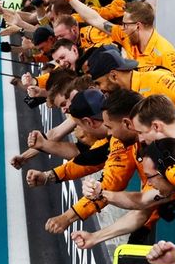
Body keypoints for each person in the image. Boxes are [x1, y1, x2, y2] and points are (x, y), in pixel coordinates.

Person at [41, 89, 159, 238]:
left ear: (127, 123)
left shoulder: (164, 154)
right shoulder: (125, 141)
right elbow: (144, 203)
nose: (109, 134)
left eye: (109, 127)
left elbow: (143, 204)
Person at [51, 0, 175, 80]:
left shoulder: (167, 53)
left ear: (138, 26)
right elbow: (95, 19)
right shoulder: (125, 35)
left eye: (125, 24)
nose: (122, 27)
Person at [87, 48, 175, 118]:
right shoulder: (126, 95)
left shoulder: (156, 80)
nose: (100, 90)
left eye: (99, 83)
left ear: (114, 76)